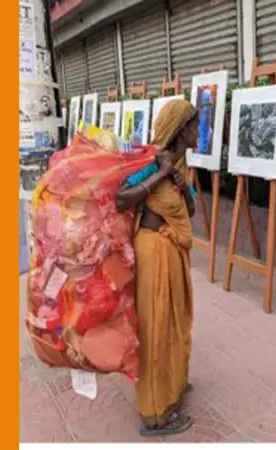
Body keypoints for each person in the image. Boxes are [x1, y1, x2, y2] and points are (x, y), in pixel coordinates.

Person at [115, 99, 198, 436]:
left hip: (173, 251)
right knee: (155, 329)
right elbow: (122, 198)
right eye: (194, 126)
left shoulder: (182, 163)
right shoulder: (153, 161)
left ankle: (173, 387)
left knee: (176, 321)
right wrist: (161, 173)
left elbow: (190, 211)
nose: (198, 131)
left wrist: (179, 182)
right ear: (179, 131)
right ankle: (154, 414)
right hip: (152, 253)